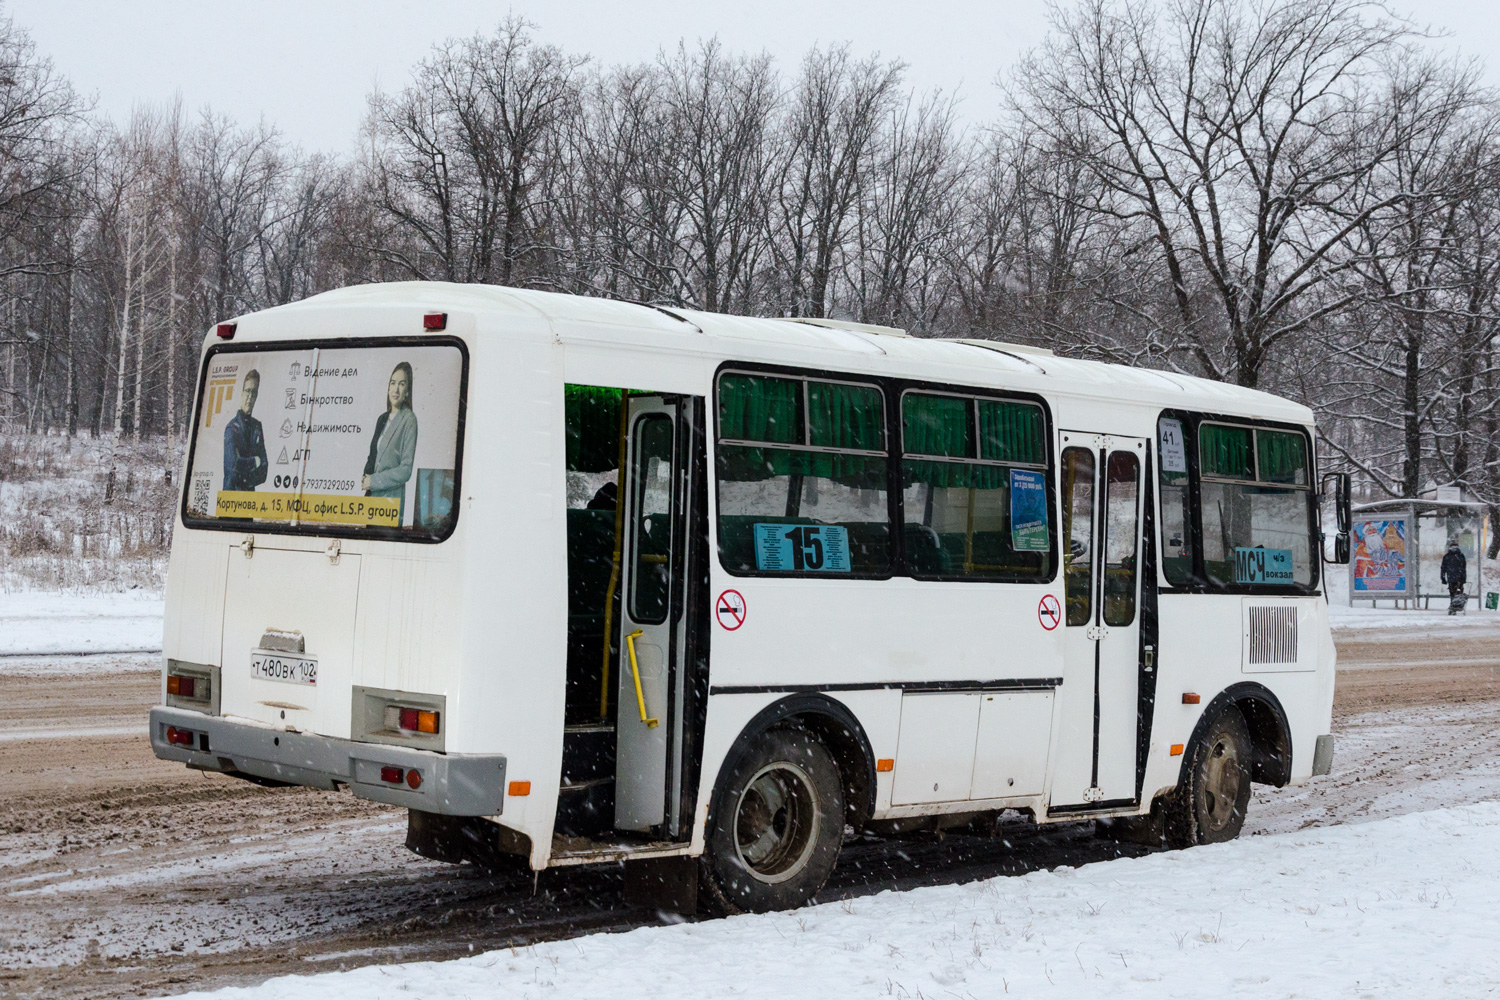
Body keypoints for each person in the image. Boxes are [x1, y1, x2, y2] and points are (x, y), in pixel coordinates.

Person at [362, 362, 418, 523]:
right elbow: (373, 455)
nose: (396, 389)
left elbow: (405, 470)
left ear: (407, 391)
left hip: (390, 503)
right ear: (388, 388)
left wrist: (372, 481)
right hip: (372, 500)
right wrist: (365, 477)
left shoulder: (409, 420)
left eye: (402, 384)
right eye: (393, 383)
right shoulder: (382, 419)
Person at [222, 369, 268, 492]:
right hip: (231, 501)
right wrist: (255, 461)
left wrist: (243, 468)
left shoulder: (257, 426)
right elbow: (233, 468)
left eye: (254, 392)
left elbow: (264, 471)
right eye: (248, 391)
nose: (250, 397)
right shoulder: (231, 428)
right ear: (242, 393)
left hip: (249, 502)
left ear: (257, 396)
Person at [1441, 540, 1467, 615]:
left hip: (1451, 577)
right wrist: (1464, 578)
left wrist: (1443, 577)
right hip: (1460, 577)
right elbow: (1464, 568)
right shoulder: (1461, 556)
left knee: (1452, 593)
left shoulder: (1447, 556)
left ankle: (1452, 608)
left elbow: (1443, 568)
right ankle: (1458, 606)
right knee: (1459, 593)